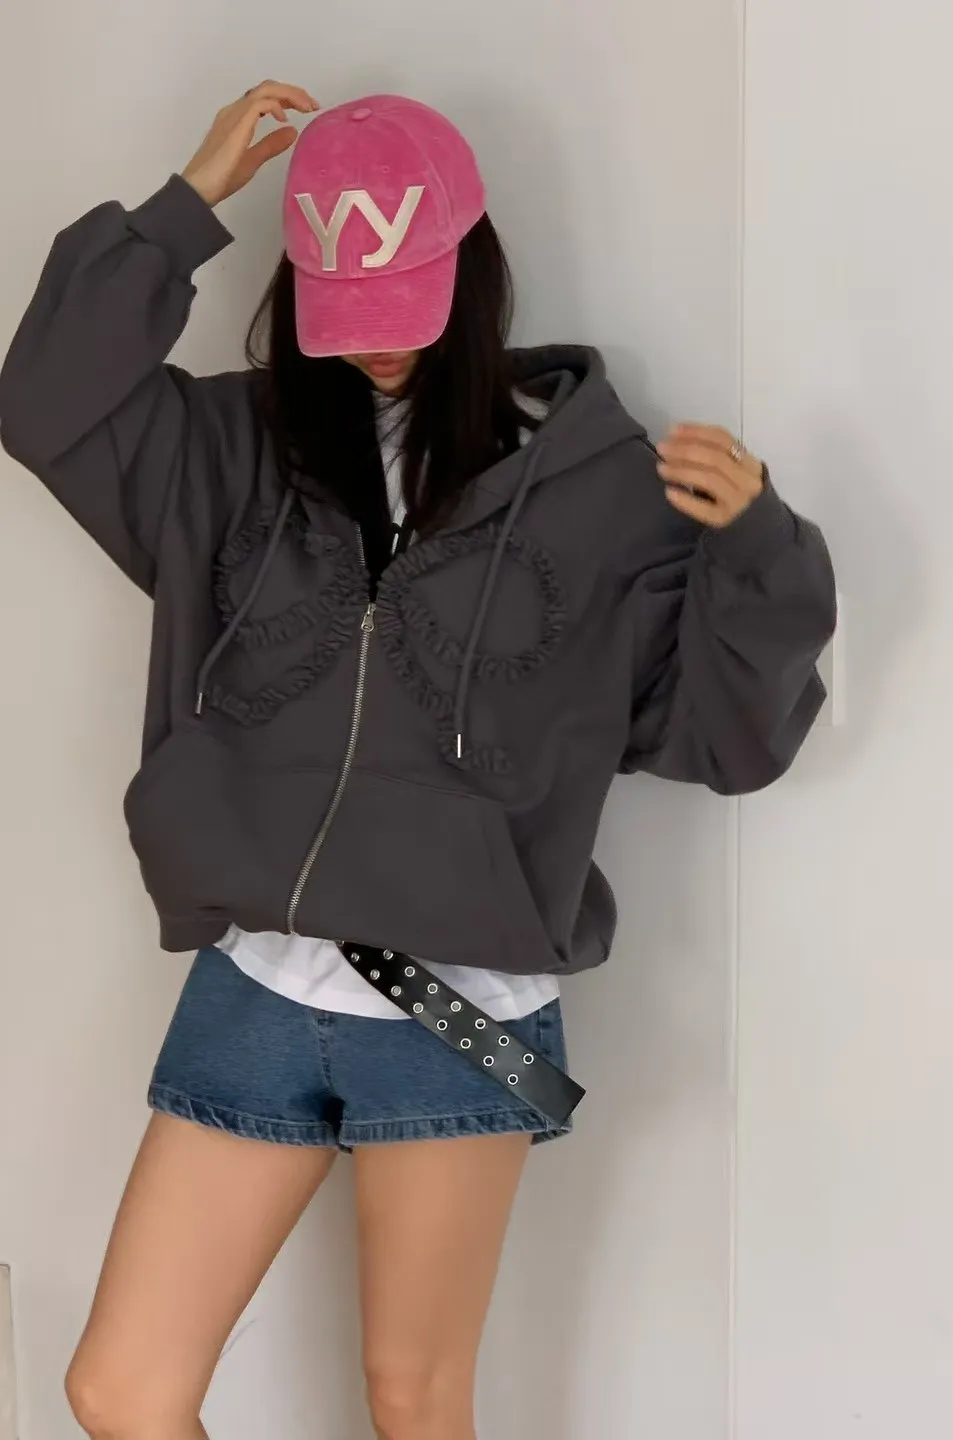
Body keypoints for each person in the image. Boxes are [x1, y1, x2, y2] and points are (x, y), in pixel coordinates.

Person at [0, 83, 835, 1440]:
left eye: (403, 305)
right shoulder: (235, 450)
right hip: (257, 984)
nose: (378, 346)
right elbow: (43, 402)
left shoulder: (603, 489)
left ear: (471, 269)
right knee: (122, 1390)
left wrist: (760, 557)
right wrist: (186, 205)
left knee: (413, 1401)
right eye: (348, 311)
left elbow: (725, 741)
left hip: (458, 1013)